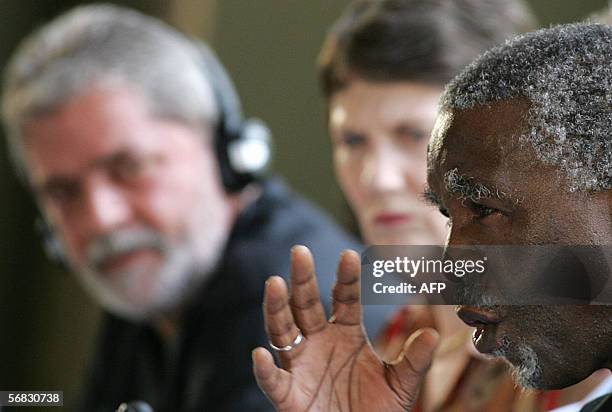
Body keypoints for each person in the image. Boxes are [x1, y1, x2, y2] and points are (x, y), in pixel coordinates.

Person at [0, 4, 388, 411]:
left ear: (227, 152)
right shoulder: (152, 291)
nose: (101, 219)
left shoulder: (296, 313)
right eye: (62, 192)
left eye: (129, 167)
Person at [253, 22, 612, 412]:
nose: (378, 178)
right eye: (352, 141)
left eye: (411, 134)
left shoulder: (573, 360)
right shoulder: (394, 344)